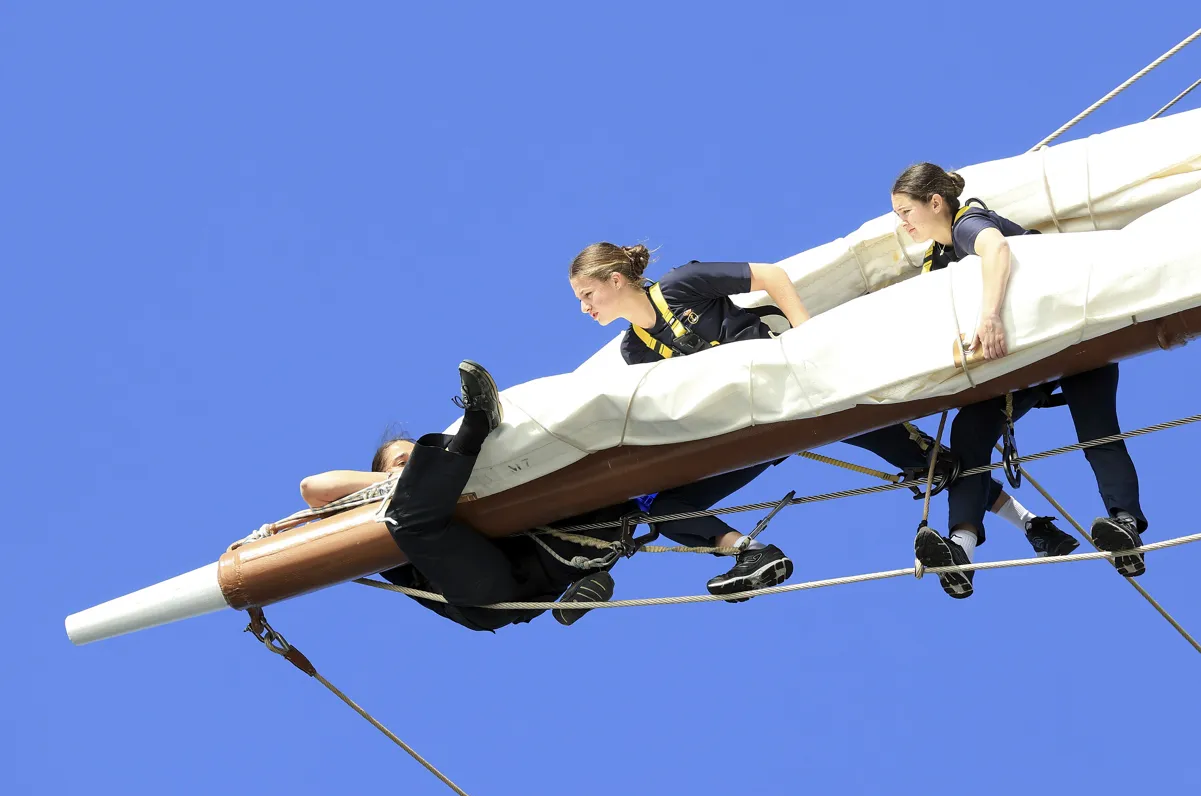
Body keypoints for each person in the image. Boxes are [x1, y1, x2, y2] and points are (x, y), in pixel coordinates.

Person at [567, 243, 1073, 578]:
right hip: (746, 430)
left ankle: (1030, 524)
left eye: (587, 294)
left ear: (616, 280)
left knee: (929, 461)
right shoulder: (635, 353)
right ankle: (749, 553)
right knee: (656, 505)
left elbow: (770, 276)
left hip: (797, 391)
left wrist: (808, 338)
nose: (585, 308)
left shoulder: (683, 284)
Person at [297, 361, 791, 630]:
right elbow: (313, 488)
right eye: (403, 459)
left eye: (420, 456)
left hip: (547, 559)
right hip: (484, 594)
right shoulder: (377, 506)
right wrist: (414, 473)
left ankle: (747, 552)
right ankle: (474, 428)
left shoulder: (469, 484)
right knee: (411, 519)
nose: (415, 463)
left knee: (642, 497)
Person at [891, 163, 1148, 599]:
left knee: (1096, 430)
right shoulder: (935, 263)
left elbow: (996, 251)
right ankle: (961, 549)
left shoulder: (968, 223)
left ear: (935, 203)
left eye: (905, 211)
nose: (902, 223)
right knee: (970, 432)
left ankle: (1125, 525)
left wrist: (989, 318)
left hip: (1072, 338)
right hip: (1024, 365)